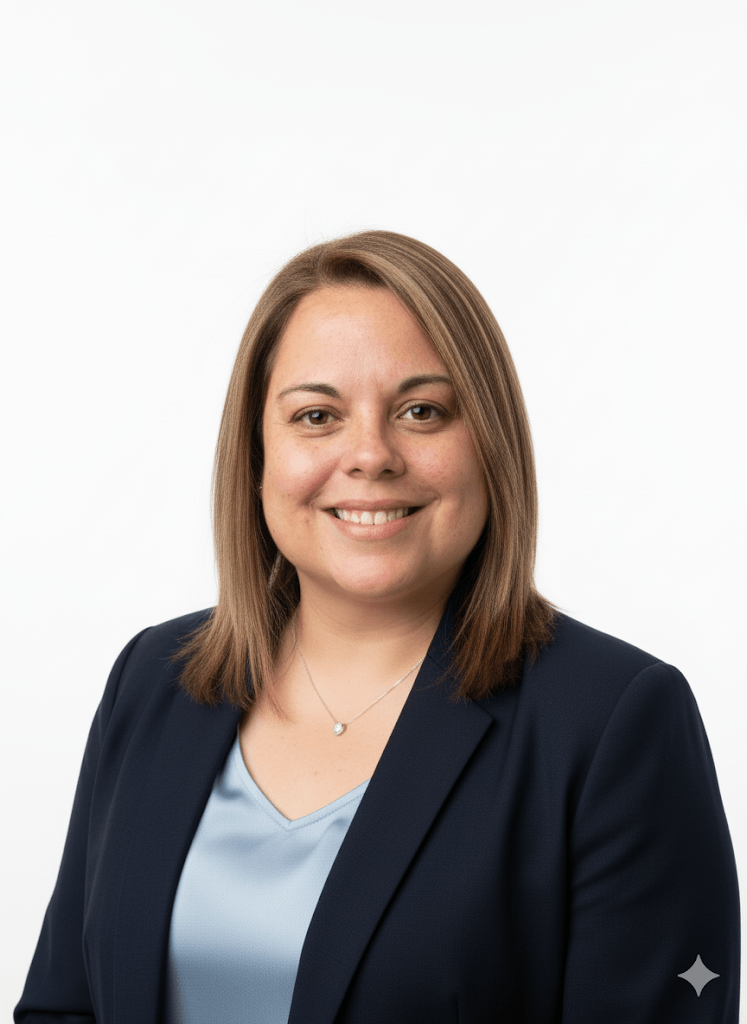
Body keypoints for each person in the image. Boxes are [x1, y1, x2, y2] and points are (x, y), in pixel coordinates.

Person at [15, 230, 740, 1023]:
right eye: (317, 415)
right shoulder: (154, 678)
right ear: (257, 451)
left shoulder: (612, 721)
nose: (370, 454)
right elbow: (64, 1007)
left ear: (489, 443)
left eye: (421, 411)